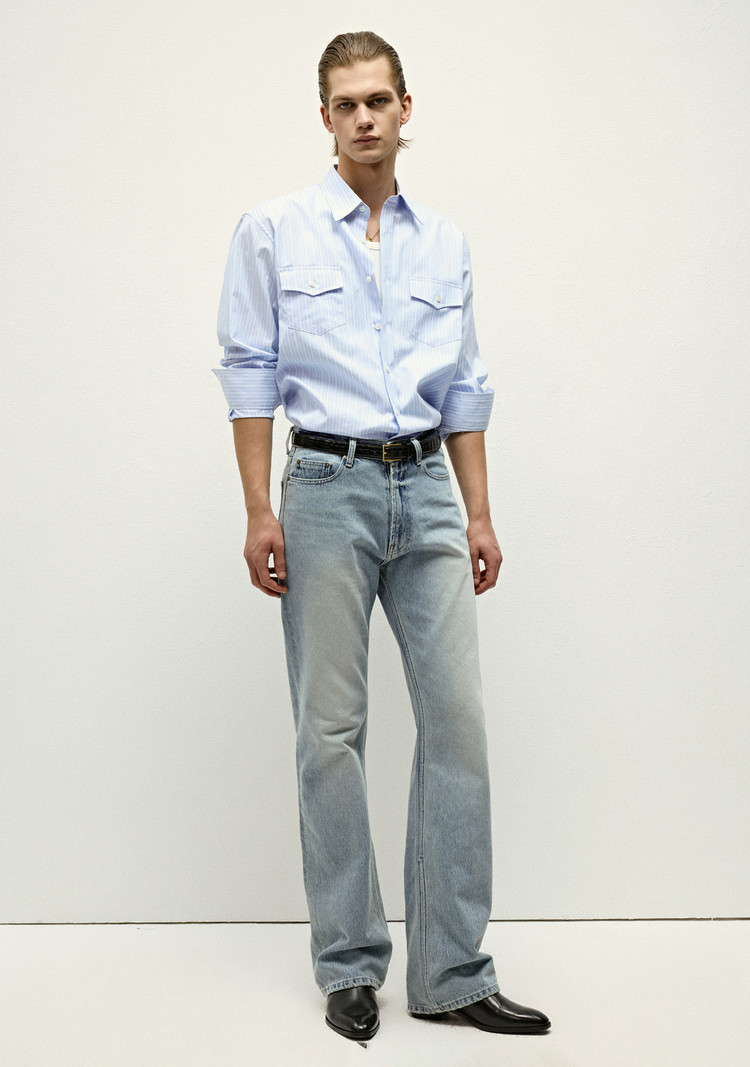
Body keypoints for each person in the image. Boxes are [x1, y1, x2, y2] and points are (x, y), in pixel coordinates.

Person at [213, 30, 550, 1043]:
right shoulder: (273, 230)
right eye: (346, 103)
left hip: (430, 487)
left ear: (407, 108)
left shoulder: (443, 242)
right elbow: (249, 369)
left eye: (378, 100)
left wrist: (478, 509)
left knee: (458, 725)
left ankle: (451, 970)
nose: (364, 118)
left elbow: (467, 385)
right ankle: (350, 962)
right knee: (330, 732)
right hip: (324, 487)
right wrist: (258, 508)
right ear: (324, 118)